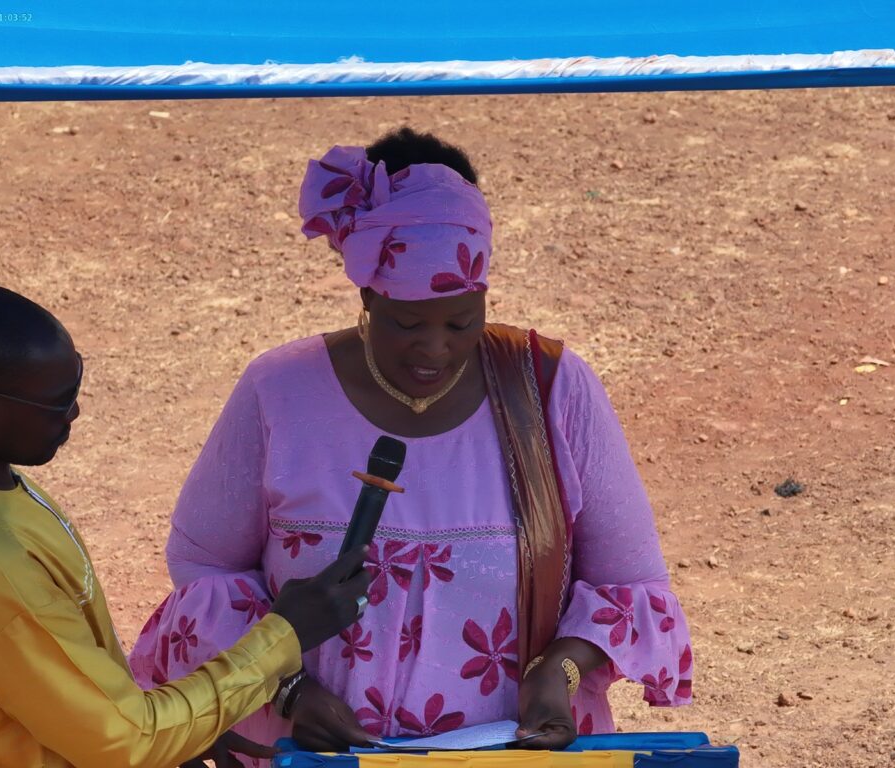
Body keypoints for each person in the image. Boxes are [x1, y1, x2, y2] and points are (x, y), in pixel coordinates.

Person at [131, 129, 693, 762]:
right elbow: (206, 569)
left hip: (506, 752)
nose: (435, 348)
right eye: (405, 321)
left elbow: (628, 583)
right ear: (367, 294)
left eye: (461, 320)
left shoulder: (553, 391)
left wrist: (558, 672)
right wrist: (287, 690)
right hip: (311, 751)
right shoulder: (279, 392)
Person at [0, 285, 371, 768]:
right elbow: (125, 741)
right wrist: (286, 633)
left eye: (76, 384)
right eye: (57, 403)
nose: (75, 412)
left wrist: (187, 729)